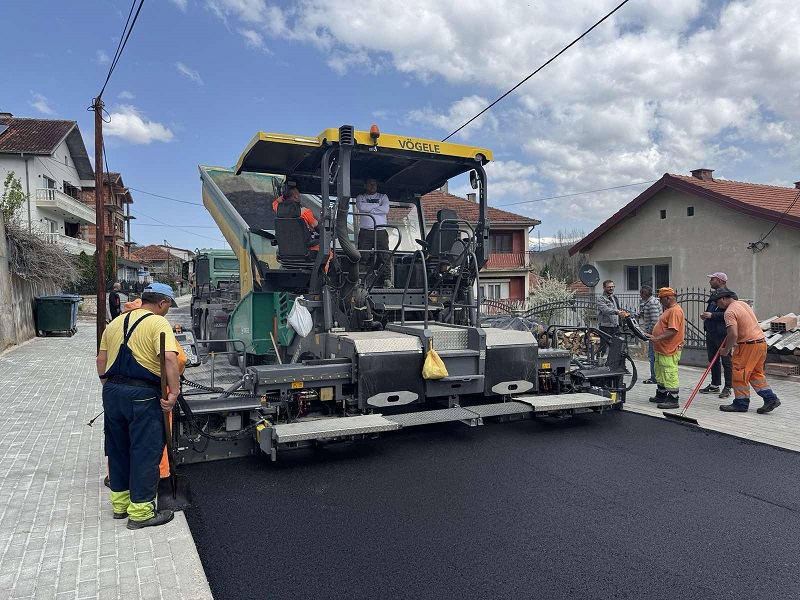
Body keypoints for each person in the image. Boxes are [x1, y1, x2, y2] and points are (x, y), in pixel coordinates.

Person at [96, 282, 180, 529]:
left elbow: (101, 359)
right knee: (144, 451)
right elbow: (169, 358)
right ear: (162, 303)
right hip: (143, 394)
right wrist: (173, 392)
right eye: (167, 306)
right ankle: (142, 512)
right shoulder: (158, 323)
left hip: (112, 392)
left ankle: (120, 506)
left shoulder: (113, 324)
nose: (167, 311)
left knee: (118, 449)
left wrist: (108, 385)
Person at [714, 290, 781, 414]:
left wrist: (726, 350)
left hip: (748, 346)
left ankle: (741, 403)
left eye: (718, 302)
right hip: (760, 343)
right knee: (755, 374)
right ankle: (770, 399)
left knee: (739, 373)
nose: (718, 306)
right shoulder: (743, 304)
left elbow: (732, 333)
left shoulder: (729, 312)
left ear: (723, 299)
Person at [645, 287, 685, 410]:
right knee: (660, 371)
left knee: (669, 373)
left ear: (668, 298)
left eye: (661, 299)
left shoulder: (675, 311)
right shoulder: (669, 310)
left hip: (669, 348)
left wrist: (657, 338)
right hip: (662, 348)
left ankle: (673, 398)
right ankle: (661, 393)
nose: (660, 301)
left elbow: (673, 330)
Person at [699, 272, 733, 398]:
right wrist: (706, 316)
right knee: (712, 360)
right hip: (711, 332)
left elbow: (730, 314)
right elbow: (711, 311)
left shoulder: (730, 296)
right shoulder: (714, 296)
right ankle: (715, 385)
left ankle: (728, 387)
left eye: (712, 279)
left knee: (726, 360)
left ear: (719, 281)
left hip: (722, 334)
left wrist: (712, 315)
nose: (710, 282)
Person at [355, 177, 392, 288]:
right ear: (365, 185)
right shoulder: (360, 197)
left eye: (374, 184)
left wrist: (370, 208)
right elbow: (361, 207)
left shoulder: (383, 196)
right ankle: (360, 279)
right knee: (362, 255)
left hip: (381, 230)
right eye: (370, 184)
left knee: (385, 255)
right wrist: (377, 207)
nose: (372, 186)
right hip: (366, 231)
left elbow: (385, 210)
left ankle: (387, 279)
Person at [636, 285, 662, 384]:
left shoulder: (651, 303)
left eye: (640, 293)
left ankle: (654, 377)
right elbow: (641, 313)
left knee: (652, 355)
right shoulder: (649, 302)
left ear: (644, 294)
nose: (640, 295)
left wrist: (649, 332)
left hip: (654, 334)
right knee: (653, 355)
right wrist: (630, 315)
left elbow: (655, 321)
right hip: (654, 333)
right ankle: (655, 376)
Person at [596, 280, 623, 355]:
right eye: (609, 287)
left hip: (615, 326)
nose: (611, 288)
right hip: (605, 326)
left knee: (617, 346)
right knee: (603, 347)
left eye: (612, 287)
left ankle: (614, 364)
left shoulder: (615, 297)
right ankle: (599, 362)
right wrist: (617, 312)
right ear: (604, 288)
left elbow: (618, 309)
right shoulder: (601, 299)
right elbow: (605, 310)